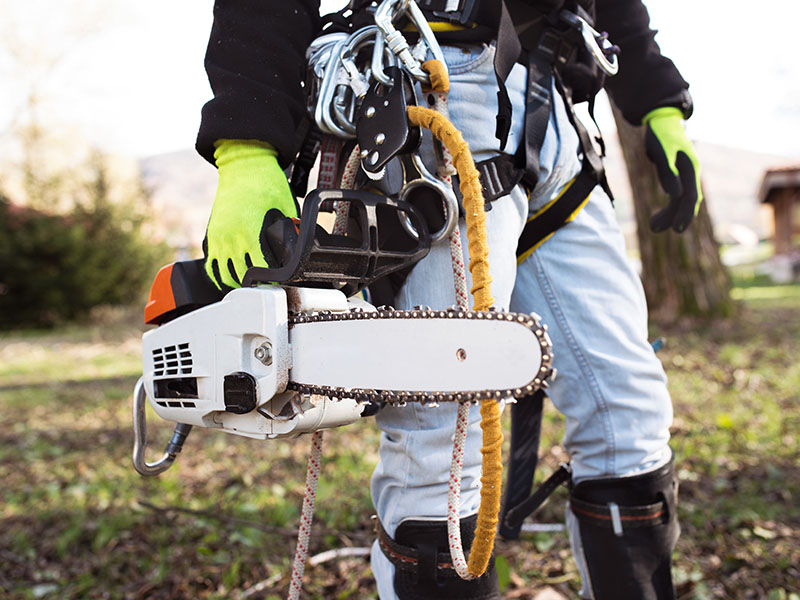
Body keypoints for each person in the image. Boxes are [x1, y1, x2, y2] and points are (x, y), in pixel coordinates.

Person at [195, 1, 702, 598]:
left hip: (554, 104)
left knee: (630, 419)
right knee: (440, 454)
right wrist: (247, 147)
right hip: (432, 89)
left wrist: (660, 103)